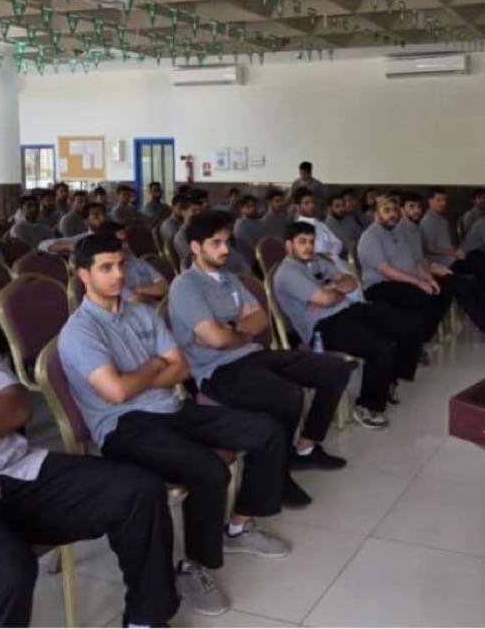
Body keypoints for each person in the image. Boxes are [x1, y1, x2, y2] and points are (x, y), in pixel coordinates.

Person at [60, 233, 289, 617]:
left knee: (268, 432)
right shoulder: (79, 331)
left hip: (173, 409)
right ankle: (194, 566)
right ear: (84, 275)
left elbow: (180, 369)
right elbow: (116, 393)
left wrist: (141, 376)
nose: (119, 275)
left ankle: (238, 527)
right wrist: (154, 366)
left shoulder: (141, 313)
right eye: (106, 268)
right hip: (125, 427)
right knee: (209, 470)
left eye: (121, 264)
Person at [0, 326, 179, 627]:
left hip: (12, 467)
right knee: (1, 571)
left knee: (137, 489)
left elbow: (17, 410)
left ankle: (147, 619)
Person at [168, 211, 353, 508]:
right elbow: (216, 340)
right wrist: (235, 331)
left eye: (227, 242)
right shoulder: (185, 286)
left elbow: (260, 320)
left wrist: (231, 330)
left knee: (336, 369)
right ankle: (277, 476)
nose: (226, 249)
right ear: (195, 247)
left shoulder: (230, 279)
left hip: (252, 354)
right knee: (288, 395)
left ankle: (306, 448)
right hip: (217, 371)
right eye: (216, 243)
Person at [273, 222, 417, 429]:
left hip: (347, 310)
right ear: (289, 245)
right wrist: (331, 292)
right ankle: (366, 407)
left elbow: (351, 282)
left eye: (311, 242)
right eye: (302, 242)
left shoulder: (316, 262)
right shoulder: (287, 273)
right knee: (381, 347)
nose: (308, 247)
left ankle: (389, 380)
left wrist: (331, 288)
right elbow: (325, 299)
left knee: (406, 325)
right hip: (322, 327)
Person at [398, 192, 485, 341]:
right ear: (402, 209)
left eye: (418, 207)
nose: (416, 210)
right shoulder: (401, 231)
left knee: (473, 282)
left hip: (431, 270)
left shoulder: (415, 228)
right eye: (411, 207)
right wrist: (432, 270)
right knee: (464, 286)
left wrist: (434, 266)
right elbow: (410, 261)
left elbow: (420, 257)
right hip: (418, 276)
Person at [357, 196, 452, 343]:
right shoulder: (370, 237)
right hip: (379, 285)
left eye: (395, 210)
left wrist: (428, 278)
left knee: (442, 291)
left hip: (403, 280)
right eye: (386, 210)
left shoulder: (398, 233)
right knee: (419, 297)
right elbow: (386, 270)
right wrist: (419, 282)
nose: (392, 214)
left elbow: (413, 262)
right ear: (376, 213)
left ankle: (421, 338)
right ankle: (415, 341)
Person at [420, 187, 485, 311]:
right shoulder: (428, 221)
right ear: (430, 201)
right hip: (445, 263)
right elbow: (429, 248)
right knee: (484, 267)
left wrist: (455, 251)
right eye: (439, 200)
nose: (443, 203)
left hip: (453, 257)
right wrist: (453, 252)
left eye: (444, 200)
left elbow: (445, 244)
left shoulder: (441, 219)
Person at [99, 222, 168, 304]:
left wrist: (140, 289)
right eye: (120, 242)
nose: (126, 246)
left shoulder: (135, 261)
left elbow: (164, 286)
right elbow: (134, 300)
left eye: (125, 241)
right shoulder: (107, 275)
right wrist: (154, 293)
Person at [39, 202, 105, 254]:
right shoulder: (83, 239)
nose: (102, 218)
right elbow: (43, 245)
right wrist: (69, 247)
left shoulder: (110, 235)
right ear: (86, 221)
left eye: (104, 214)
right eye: (96, 216)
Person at [158, 193, 189, 260]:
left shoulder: (183, 222)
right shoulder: (169, 224)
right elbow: (177, 245)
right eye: (180, 207)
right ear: (173, 207)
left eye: (185, 207)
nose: (183, 210)